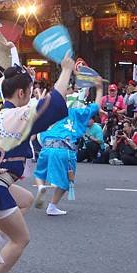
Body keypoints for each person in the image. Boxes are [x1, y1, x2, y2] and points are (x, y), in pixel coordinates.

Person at [0, 57, 74, 273]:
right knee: (22, 238)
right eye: (28, 91)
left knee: (25, 200)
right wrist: (66, 70)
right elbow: (54, 102)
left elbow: (13, 85)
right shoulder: (16, 117)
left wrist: (14, 59)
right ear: (22, 92)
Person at [33, 82, 103, 215]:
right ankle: (52, 206)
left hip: (47, 147)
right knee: (65, 182)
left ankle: (41, 186)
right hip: (65, 149)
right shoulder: (76, 113)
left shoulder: (47, 114)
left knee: (39, 173)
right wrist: (99, 88)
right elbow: (96, 106)